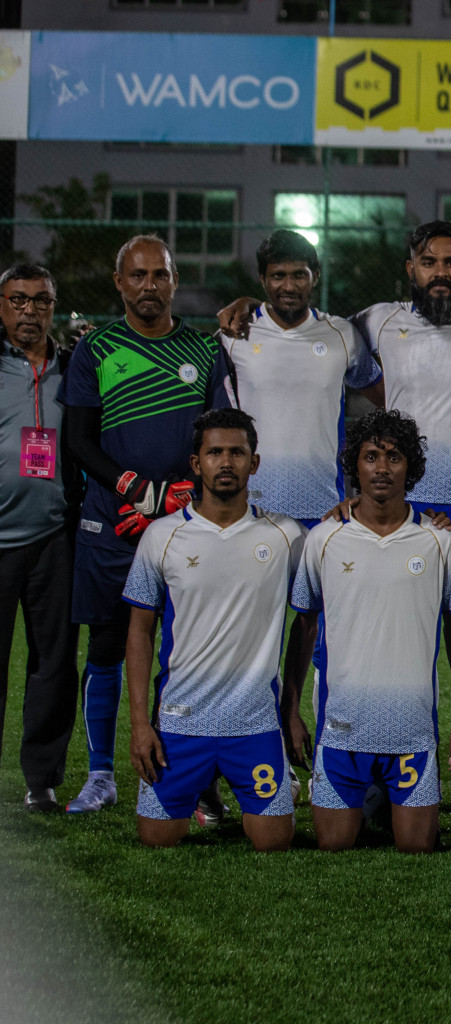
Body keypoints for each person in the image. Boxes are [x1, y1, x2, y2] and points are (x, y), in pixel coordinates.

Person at [61, 235, 229, 816]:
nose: (149, 285)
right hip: (112, 524)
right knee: (106, 647)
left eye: (160, 274)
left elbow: (219, 437)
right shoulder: (97, 349)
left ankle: (191, 779)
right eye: (137, 275)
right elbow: (77, 440)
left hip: (187, 524)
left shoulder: (206, 351)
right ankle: (102, 775)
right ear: (119, 282)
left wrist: (183, 490)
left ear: (174, 280)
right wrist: (131, 486)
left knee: (185, 653)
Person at [285, 409, 451, 853]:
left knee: (417, 847)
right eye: (371, 457)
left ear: (411, 467)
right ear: (355, 465)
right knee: (333, 844)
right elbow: (305, 626)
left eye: (394, 457)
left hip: (413, 732)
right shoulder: (324, 538)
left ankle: (380, 798)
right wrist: (290, 710)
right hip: (342, 730)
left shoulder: (438, 540)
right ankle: (371, 795)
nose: (382, 468)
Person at [123, 409, 305, 850]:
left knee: (273, 841)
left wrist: (292, 707)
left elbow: (310, 619)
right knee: (157, 839)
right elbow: (140, 631)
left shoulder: (287, 536)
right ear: (196, 463)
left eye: (237, 452)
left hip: (255, 722)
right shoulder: (162, 536)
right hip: (180, 722)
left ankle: (270, 777)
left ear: (254, 463)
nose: (226, 462)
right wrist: (139, 724)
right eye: (215, 452)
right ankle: (203, 787)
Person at [219, 229, 383, 524]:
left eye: (299, 275)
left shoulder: (342, 336)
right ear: (263, 279)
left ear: (315, 276)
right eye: (278, 276)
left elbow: (387, 397)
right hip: (252, 511)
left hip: (324, 511)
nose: (289, 286)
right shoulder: (233, 336)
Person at [0, 264, 78, 811]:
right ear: (1, 305)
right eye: (18, 300)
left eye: (41, 301)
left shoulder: (75, 367)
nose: (30, 311)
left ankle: (41, 780)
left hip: (55, 535)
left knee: (54, 661)